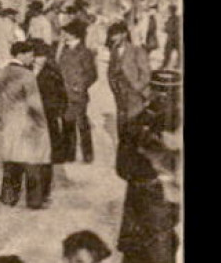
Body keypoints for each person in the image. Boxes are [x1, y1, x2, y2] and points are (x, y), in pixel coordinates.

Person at [114, 69, 180, 263]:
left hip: (144, 220)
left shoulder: (139, 121)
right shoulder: (144, 123)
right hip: (157, 222)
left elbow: (123, 167)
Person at [0, 40, 52, 209]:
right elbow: (35, 104)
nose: (32, 59)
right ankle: (34, 200)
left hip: (9, 123)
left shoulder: (0, 72)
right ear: (21, 55)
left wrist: (2, 118)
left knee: (10, 160)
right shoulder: (27, 75)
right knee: (31, 161)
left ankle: (9, 197)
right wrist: (42, 126)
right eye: (31, 55)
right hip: (27, 124)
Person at [54, 19, 98, 165]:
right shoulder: (64, 49)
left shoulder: (85, 52)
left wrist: (81, 86)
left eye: (66, 32)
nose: (64, 34)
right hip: (64, 92)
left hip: (78, 94)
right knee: (67, 123)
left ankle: (88, 154)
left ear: (74, 35)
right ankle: (69, 153)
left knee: (82, 123)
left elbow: (92, 74)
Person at [106, 20, 153, 135]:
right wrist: (114, 87)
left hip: (135, 94)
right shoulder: (113, 51)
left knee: (133, 126)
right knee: (122, 128)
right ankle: (123, 151)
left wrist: (137, 88)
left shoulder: (137, 50)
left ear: (124, 34)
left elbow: (146, 74)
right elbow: (110, 72)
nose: (113, 38)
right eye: (111, 35)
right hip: (120, 95)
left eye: (115, 34)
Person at [32, 40, 70, 176]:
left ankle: (54, 158)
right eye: (36, 56)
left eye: (42, 56)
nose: (39, 59)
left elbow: (61, 91)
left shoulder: (52, 71)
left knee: (52, 133)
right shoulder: (28, 69)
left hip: (49, 109)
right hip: (34, 110)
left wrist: (61, 107)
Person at [160, 3, 181, 70]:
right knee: (168, 52)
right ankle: (165, 65)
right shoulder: (173, 18)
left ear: (172, 10)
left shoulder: (174, 19)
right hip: (174, 38)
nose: (168, 11)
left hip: (173, 38)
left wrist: (165, 28)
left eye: (169, 10)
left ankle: (166, 65)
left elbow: (171, 28)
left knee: (168, 52)